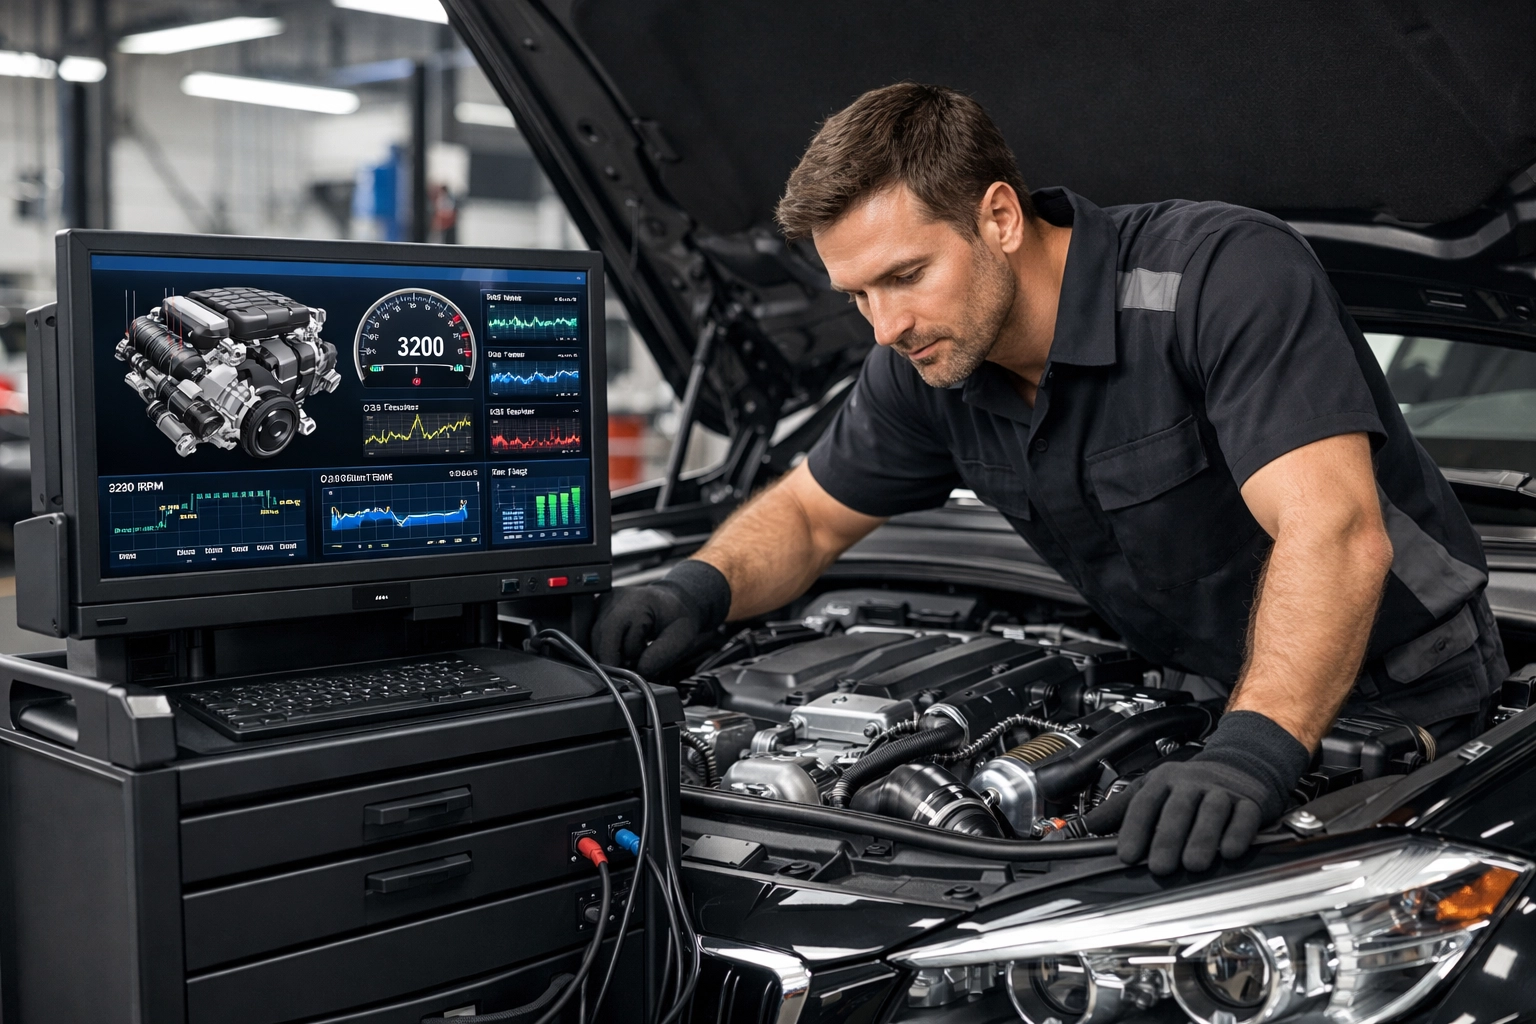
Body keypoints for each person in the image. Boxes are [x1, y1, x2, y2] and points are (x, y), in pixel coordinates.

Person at [593, 83, 1506, 875]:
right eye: (858, 295)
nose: (885, 326)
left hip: (1399, 702)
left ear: (999, 216)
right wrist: (697, 587)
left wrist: (1255, 752)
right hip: (1195, 698)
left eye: (906, 275)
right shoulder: (924, 366)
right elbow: (808, 516)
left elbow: (1333, 531)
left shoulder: (1217, 280)